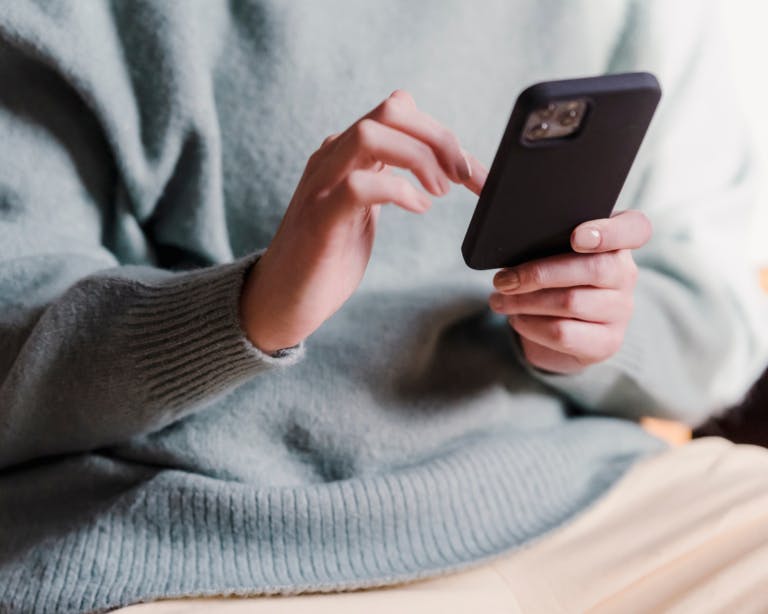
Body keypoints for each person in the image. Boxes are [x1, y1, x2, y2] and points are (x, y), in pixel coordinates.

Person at [1, 1, 767, 612]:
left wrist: (601, 333)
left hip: (585, 505)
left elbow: (724, 323)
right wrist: (247, 310)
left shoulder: (652, 14)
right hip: (201, 543)